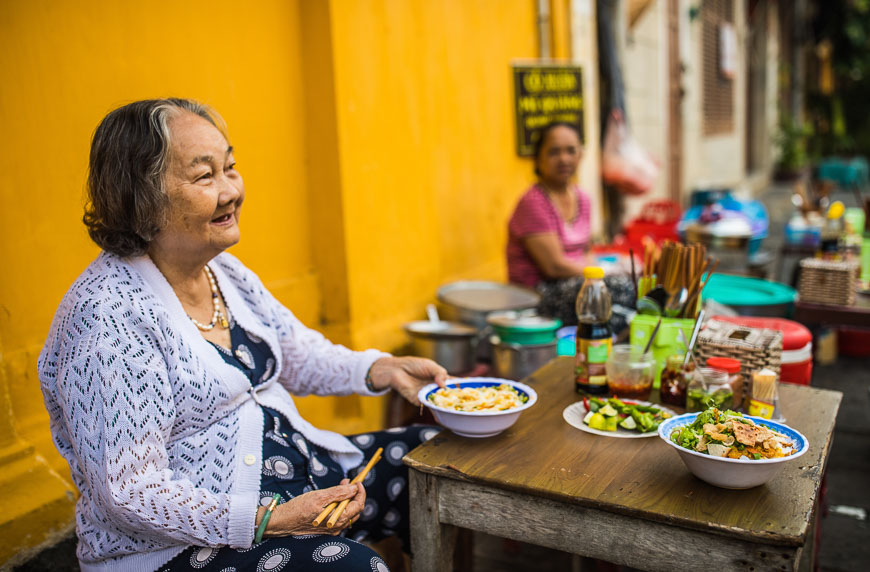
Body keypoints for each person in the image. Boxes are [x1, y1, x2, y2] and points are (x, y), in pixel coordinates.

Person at [38, 98, 447, 572]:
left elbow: (293, 352)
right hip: (184, 547)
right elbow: (129, 493)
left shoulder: (223, 272)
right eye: (204, 176)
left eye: (230, 168)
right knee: (353, 569)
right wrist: (269, 520)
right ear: (142, 196)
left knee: (431, 461)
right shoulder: (106, 316)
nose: (231, 190)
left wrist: (379, 369)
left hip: (295, 483)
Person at [506, 122, 634, 332]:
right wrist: (605, 273)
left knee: (635, 285)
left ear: (580, 155)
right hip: (537, 295)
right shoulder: (533, 202)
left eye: (571, 150)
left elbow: (586, 252)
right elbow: (554, 267)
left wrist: (613, 268)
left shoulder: (582, 198)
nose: (564, 158)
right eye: (554, 152)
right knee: (615, 290)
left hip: (576, 284)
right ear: (538, 158)